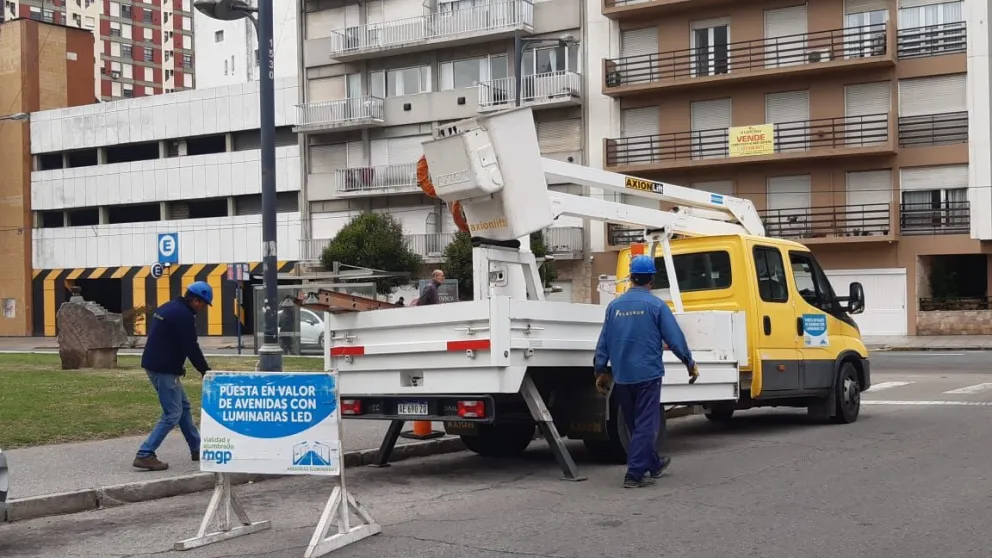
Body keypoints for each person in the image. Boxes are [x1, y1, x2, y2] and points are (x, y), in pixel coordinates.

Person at [593, 255, 699, 489]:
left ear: (631, 278)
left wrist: (600, 370)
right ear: (651, 279)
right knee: (645, 425)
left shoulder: (614, 307)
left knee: (634, 424)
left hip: (622, 375)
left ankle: (654, 464)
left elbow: (604, 342)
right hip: (648, 376)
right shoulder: (656, 306)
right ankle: (634, 473)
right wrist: (689, 362)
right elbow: (675, 338)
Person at [132, 281, 213, 471]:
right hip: (164, 369)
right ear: (195, 300)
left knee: (183, 407)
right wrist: (205, 371)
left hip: (157, 365)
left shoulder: (170, 307)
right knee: (173, 413)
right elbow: (191, 347)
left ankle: (197, 447)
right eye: (203, 304)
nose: (203, 309)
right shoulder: (183, 315)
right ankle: (145, 453)